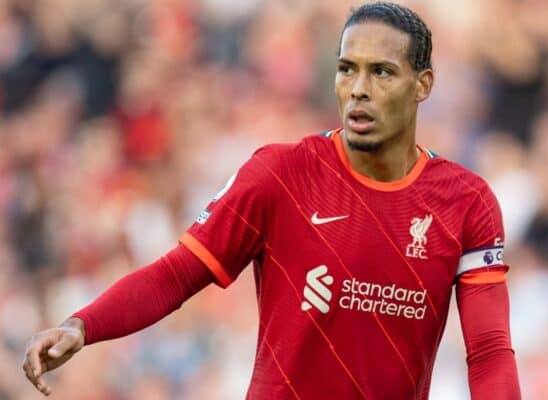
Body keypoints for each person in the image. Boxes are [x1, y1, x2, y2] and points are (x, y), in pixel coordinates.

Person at [22, 2, 521, 399]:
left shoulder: (466, 202)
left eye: (383, 73)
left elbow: (490, 351)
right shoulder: (280, 173)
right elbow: (175, 275)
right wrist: (82, 325)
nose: (359, 90)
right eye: (347, 69)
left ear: (423, 85)